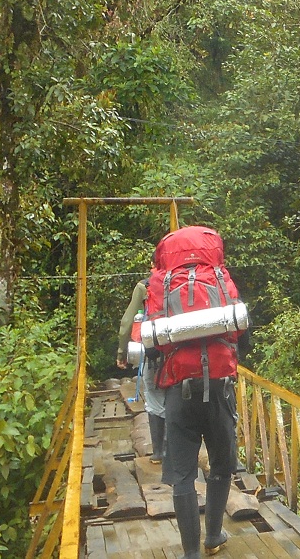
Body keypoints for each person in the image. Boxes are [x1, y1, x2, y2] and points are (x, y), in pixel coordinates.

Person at [147, 225, 242, 558]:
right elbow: (236, 329)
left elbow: (151, 343)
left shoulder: (160, 282)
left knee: (183, 473)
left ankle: (191, 553)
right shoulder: (219, 276)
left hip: (178, 390)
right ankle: (213, 535)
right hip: (219, 385)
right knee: (221, 463)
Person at [116, 278, 166, 462]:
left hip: (154, 352)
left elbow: (127, 322)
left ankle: (160, 452)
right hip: (188, 352)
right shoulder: (190, 279)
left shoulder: (145, 286)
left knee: (154, 399)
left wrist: (122, 352)